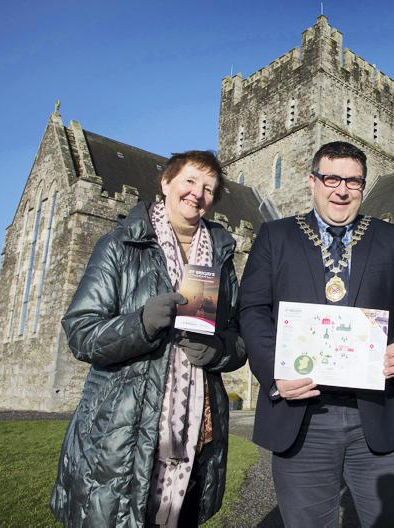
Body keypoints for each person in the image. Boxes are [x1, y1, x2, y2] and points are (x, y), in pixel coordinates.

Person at [239, 141, 394, 527]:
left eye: (353, 181)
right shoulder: (275, 237)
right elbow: (252, 310)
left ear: (363, 186)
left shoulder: (392, 239)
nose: (341, 190)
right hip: (302, 415)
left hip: (379, 412)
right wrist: (276, 372)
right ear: (312, 181)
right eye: (331, 178)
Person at [50, 151, 246, 527]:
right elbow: (81, 332)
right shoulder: (119, 245)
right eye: (190, 181)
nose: (197, 193)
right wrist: (140, 324)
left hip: (197, 436)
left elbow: (238, 339)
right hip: (121, 434)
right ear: (166, 183)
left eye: (208, 188)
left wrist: (218, 351)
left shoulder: (221, 261)